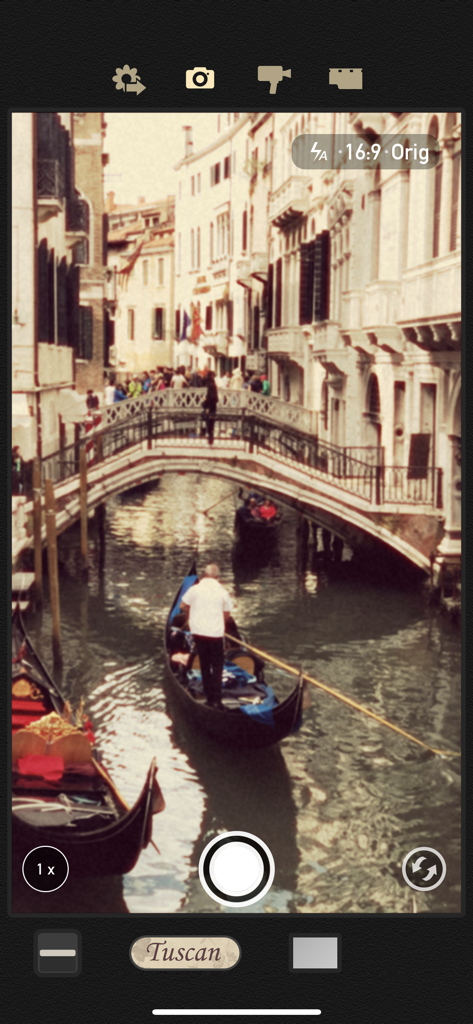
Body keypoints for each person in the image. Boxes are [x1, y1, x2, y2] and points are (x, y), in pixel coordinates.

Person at [180, 564, 233, 708]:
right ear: (217, 577)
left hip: (198, 631)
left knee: (205, 664)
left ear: (204, 576)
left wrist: (194, 612)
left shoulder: (195, 589)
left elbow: (182, 606)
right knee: (217, 666)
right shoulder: (223, 591)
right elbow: (227, 613)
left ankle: (210, 699)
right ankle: (217, 700)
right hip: (215, 633)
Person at [202, 370, 218, 446]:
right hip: (213, 407)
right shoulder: (213, 385)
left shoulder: (210, 386)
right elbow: (215, 398)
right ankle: (210, 440)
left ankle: (210, 441)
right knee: (211, 424)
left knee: (209, 424)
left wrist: (208, 407)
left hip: (210, 407)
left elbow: (212, 397)